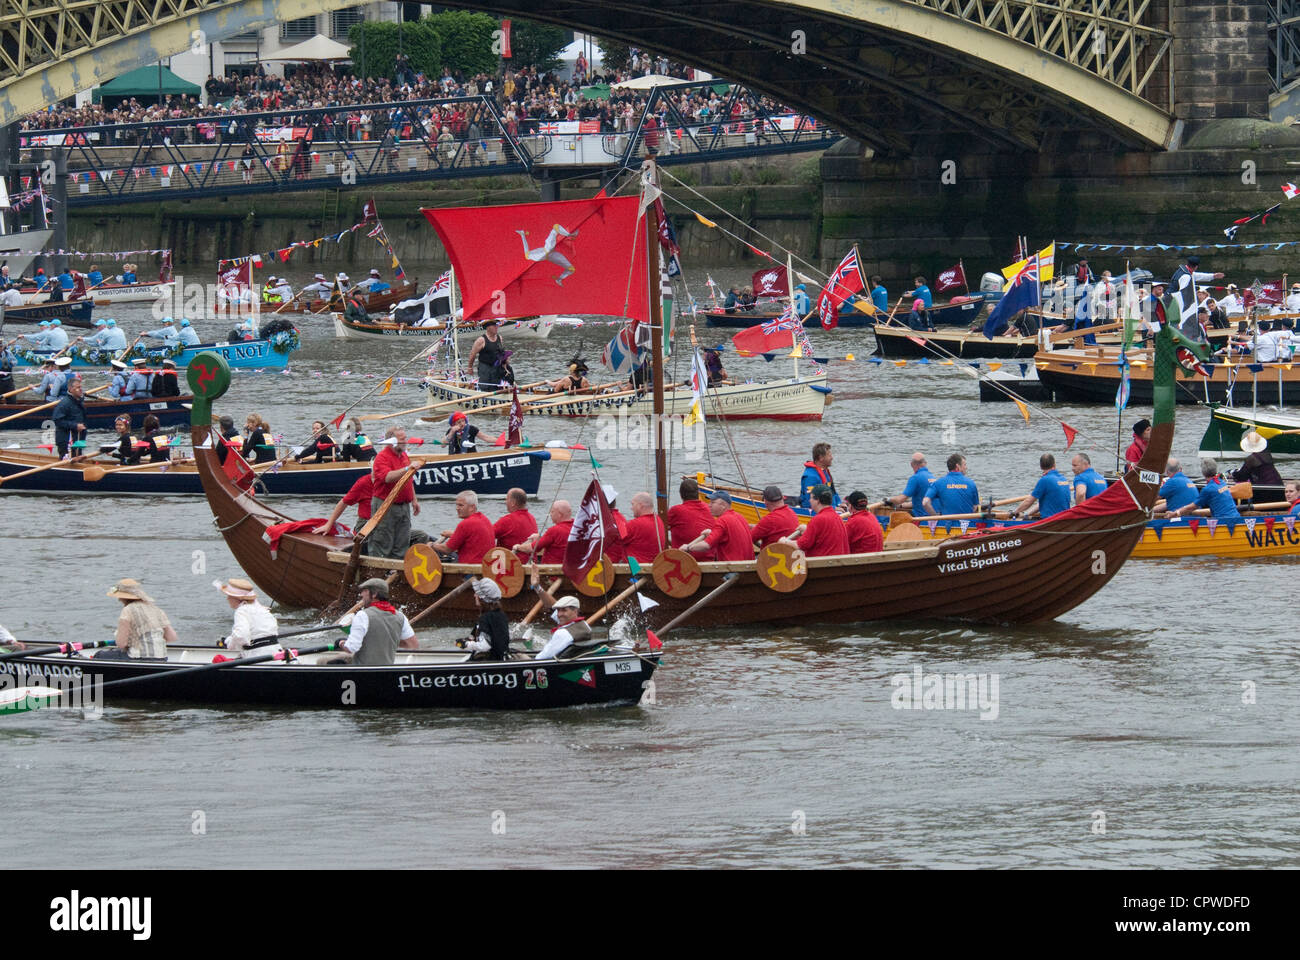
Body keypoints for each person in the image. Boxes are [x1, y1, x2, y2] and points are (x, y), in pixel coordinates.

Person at [333, 578, 416, 665]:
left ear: (374, 594)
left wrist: (340, 643)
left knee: (324, 661)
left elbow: (351, 648)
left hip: (363, 671)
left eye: (365, 591)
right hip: (387, 670)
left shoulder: (363, 615)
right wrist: (387, 640)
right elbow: (413, 645)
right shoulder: (400, 616)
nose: (361, 594)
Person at [370, 428, 424, 559]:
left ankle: (396, 571)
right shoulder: (382, 457)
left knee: (402, 542)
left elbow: (408, 479)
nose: (405, 441)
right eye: (402, 439)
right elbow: (387, 477)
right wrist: (407, 468)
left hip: (403, 506)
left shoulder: (404, 455)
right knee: (383, 541)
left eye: (405, 438)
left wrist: (414, 500)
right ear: (392, 441)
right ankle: (379, 572)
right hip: (386, 505)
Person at [96, 579, 178, 660]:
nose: (118, 599)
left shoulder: (128, 610)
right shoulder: (156, 609)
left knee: (99, 655)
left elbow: (121, 644)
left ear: (122, 597)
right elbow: (171, 637)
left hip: (137, 657)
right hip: (162, 657)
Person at [214, 578, 280, 656]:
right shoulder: (263, 609)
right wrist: (229, 640)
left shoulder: (241, 611)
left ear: (237, 598)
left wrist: (229, 644)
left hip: (258, 656)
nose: (227, 598)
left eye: (229, 596)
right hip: (276, 652)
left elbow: (241, 636)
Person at [684, 489, 753, 561]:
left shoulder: (722, 520)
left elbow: (706, 546)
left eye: (712, 502)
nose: (709, 505)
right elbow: (727, 534)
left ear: (723, 505)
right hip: (748, 566)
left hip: (733, 569)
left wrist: (688, 547)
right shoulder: (739, 516)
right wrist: (711, 533)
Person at [784, 484, 849, 557]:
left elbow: (800, 545)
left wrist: (785, 541)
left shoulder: (818, 519)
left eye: (811, 498)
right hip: (836, 564)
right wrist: (807, 529)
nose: (809, 500)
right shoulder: (837, 517)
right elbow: (822, 536)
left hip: (821, 566)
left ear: (817, 500)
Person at [433, 490, 495, 563]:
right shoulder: (484, 518)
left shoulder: (465, 523)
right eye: (457, 505)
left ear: (472, 507)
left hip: (470, 569)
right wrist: (452, 534)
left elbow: (446, 550)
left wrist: (433, 545)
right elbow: (471, 536)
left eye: (460, 505)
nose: (457, 508)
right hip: (485, 566)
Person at [532, 595, 599, 661]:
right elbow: (551, 606)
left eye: (564, 610)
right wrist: (538, 588)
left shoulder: (562, 633)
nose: (559, 614)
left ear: (575, 611)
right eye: (558, 610)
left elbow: (541, 658)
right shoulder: (584, 624)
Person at [459, 578, 512, 661]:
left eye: (476, 593)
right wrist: (469, 639)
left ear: (482, 598)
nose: (474, 595)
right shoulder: (502, 615)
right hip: (501, 658)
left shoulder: (485, 618)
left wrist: (465, 644)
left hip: (489, 663)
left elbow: (485, 646)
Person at [1172, 458, 1241, 521]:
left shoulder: (1207, 489)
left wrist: (1176, 513)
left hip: (1223, 522)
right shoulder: (1222, 482)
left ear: (1203, 472)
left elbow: (1192, 507)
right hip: (1237, 517)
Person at [1012, 453, 1074, 520]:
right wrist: (1027, 514)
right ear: (1054, 465)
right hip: (1065, 518)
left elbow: (1029, 501)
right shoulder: (1063, 479)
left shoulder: (1044, 480)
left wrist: (1015, 512)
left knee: (1017, 521)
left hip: (1050, 520)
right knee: (1026, 518)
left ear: (1041, 466)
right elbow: (1041, 504)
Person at [667, 477, 715, 558]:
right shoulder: (708, 508)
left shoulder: (676, 510)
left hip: (685, 562)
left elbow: (659, 528)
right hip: (709, 558)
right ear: (698, 493)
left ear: (681, 495)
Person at [623, 491, 667, 562]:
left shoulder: (635, 524)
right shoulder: (658, 520)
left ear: (640, 505)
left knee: (604, 564)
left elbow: (617, 540)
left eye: (633, 504)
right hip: (654, 566)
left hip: (635, 569)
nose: (631, 508)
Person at [466, 319, 512, 388]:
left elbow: (501, 352)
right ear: (488, 328)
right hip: (485, 368)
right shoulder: (481, 340)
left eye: (497, 325)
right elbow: (473, 354)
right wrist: (470, 367)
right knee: (485, 387)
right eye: (494, 326)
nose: (496, 327)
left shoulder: (500, 338)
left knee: (496, 386)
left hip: (496, 367)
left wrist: (506, 360)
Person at [889, 452, 935, 517]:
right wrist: (901, 506)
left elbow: (900, 499)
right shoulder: (932, 477)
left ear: (911, 464)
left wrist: (888, 500)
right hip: (934, 516)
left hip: (922, 518)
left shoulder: (915, 478)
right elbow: (919, 502)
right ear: (925, 463)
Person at [51, 378, 87, 458]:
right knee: (67, 459)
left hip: (79, 436)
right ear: (70, 389)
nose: (80, 390)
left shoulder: (79, 401)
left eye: (81, 387)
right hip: (67, 438)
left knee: (78, 455)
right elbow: (57, 420)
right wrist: (75, 426)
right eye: (78, 387)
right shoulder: (64, 403)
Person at [799, 442, 840, 509]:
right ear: (821, 458)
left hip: (830, 508)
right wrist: (834, 508)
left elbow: (833, 492)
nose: (832, 458)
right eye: (829, 455)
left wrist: (839, 504)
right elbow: (810, 501)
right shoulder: (810, 477)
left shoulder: (825, 472)